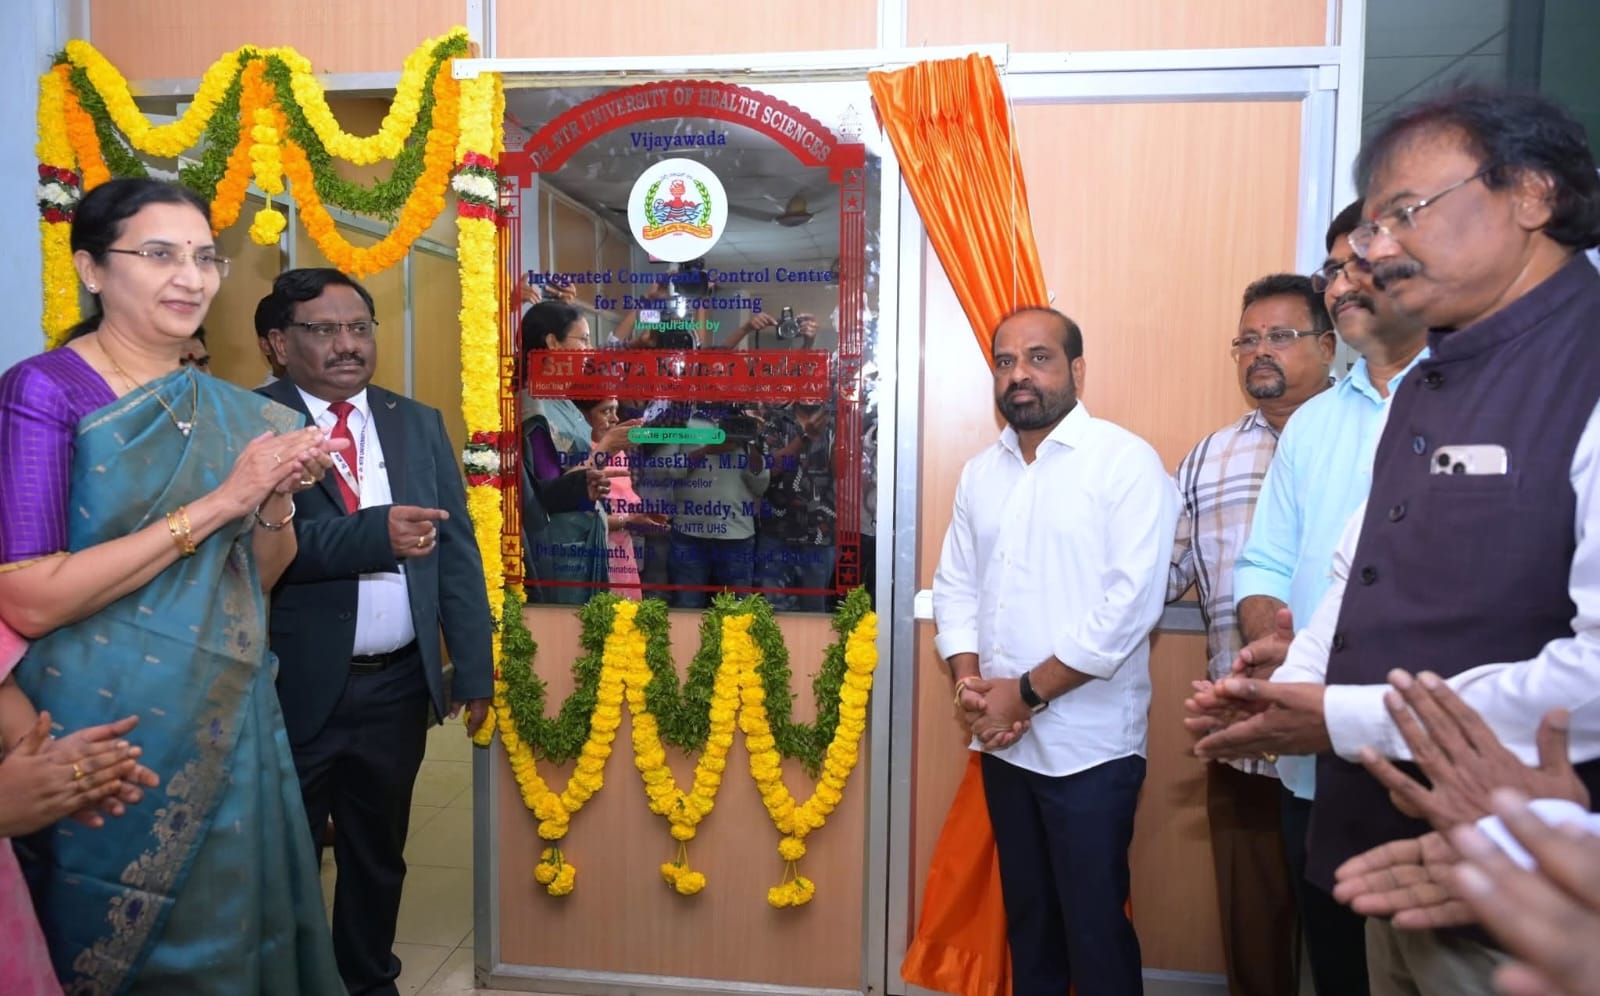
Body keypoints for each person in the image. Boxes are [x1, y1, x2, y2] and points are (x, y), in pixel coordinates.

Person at [1190, 87, 1600, 995]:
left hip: (1545, 892)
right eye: (1371, 226)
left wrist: (1340, 714)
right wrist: (1293, 685)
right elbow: (1357, 570)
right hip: (1394, 849)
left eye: (1404, 213)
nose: (1374, 252)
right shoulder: (1431, 382)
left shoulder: (1582, 365)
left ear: (1532, 194)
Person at [0, 177, 343, 993]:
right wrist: (221, 500)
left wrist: (273, 500)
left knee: (237, 937)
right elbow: (28, 598)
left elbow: (257, 578)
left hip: (227, 715)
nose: (190, 278)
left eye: (204, 257)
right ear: (91, 268)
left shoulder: (235, 412)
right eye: (159, 254)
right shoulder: (46, 392)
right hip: (97, 730)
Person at [1205, 205, 1431, 995]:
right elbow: (1265, 561)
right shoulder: (1312, 426)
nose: (1343, 283)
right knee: (1337, 966)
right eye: (1335, 268)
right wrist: (1276, 655)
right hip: (1313, 759)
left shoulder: (1473, 402)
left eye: (1365, 261)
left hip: (1425, 760)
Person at [257, 267, 495, 996]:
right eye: (324, 330)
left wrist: (474, 667)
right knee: (284, 855)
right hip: (290, 686)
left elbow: (455, 551)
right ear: (279, 344)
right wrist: (373, 536)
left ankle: (368, 978)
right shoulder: (250, 424)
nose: (347, 344)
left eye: (359, 328)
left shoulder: (414, 420)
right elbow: (248, 553)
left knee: (378, 851)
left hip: (396, 684)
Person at [932, 307, 1178, 996]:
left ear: (1077, 370)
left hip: (1090, 750)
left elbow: (1129, 608)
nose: (1020, 375)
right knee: (1030, 927)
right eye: (1005, 362)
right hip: (1005, 746)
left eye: (1038, 358)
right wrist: (972, 685)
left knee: (1094, 932)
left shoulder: (1124, 462)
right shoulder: (982, 472)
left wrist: (1024, 693)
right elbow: (956, 586)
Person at [1167, 273, 1334, 996]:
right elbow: (1161, 576)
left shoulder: (1370, 437)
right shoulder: (1208, 458)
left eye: (1281, 336)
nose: (1260, 351)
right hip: (1244, 737)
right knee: (1254, 937)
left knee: (1348, 940)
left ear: (1328, 346)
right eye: (1248, 339)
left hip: (1342, 740)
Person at [519, 300, 636, 603]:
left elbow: (581, 467)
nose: (590, 350)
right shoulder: (534, 408)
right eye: (583, 340)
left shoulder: (562, 400)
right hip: (561, 542)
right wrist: (606, 446)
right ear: (552, 343)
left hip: (584, 534)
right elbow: (549, 491)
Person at [575, 397, 662, 600]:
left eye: (615, 411)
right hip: (597, 554)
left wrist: (645, 517)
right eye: (605, 411)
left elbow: (624, 505)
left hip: (622, 552)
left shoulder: (618, 452)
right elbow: (585, 518)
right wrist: (629, 521)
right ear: (583, 415)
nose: (614, 419)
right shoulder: (581, 453)